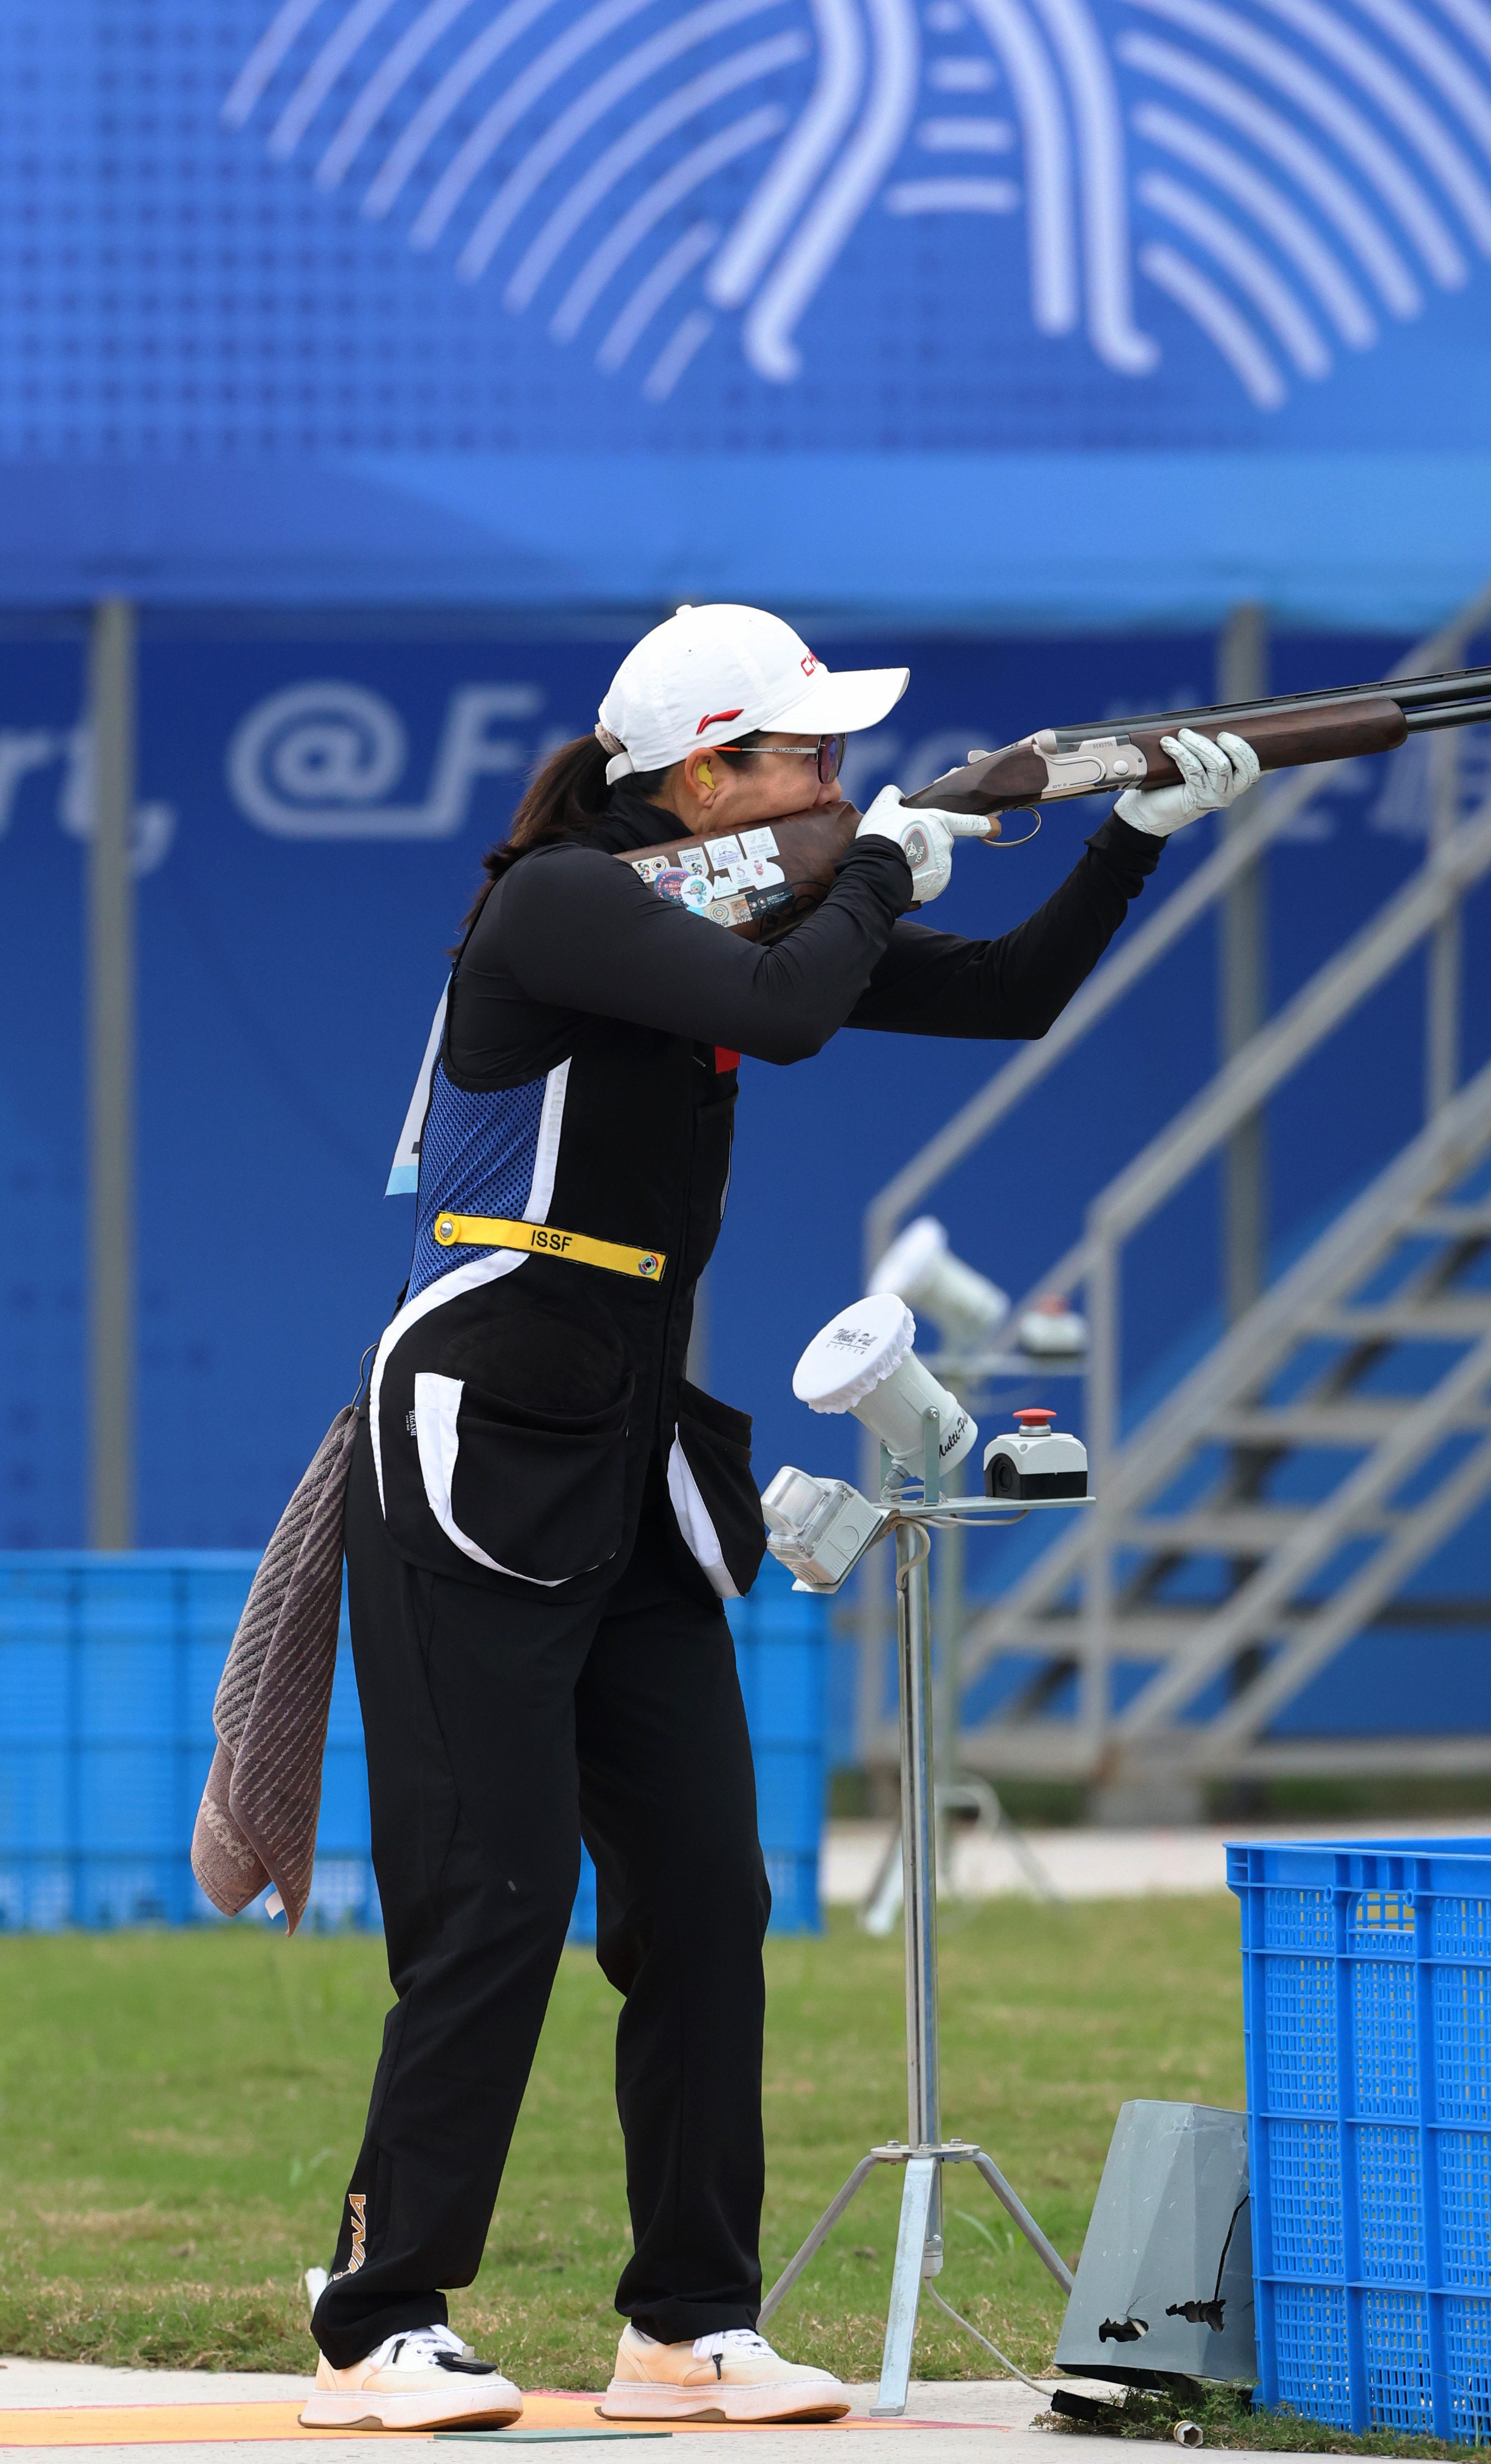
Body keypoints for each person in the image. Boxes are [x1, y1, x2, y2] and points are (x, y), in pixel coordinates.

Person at [302, 603, 1258, 2431]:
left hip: (634, 1420)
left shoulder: (742, 907)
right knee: (493, 1887)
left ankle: (685, 2324)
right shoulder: (561, 900)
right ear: (697, 774)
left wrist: (1127, 836)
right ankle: (377, 2313)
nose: (831, 781)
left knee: (707, 1892)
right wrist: (881, 866)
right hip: (485, 1411)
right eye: (799, 757)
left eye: (831, 762)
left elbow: (1008, 996)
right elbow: (792, 1013)